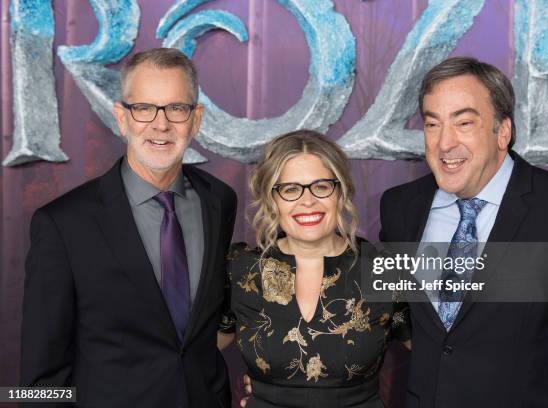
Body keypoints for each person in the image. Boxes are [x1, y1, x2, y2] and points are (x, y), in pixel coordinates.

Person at [379, 57, 548, 407]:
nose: (444, 143)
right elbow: (406, 320)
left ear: (503, 131)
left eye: (464, 123)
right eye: (432, 124)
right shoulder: (399, 209)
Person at [21, 48, 237, 407]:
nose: (161, 124)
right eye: (144, 108)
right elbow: (39, 379)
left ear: (196, 119)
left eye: (177, 108)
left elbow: (204, 326)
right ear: (122, 118)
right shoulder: (62, 225)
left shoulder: (219, 200)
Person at [218, 130, 410, 407]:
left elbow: (445, 351)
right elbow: (191, 354)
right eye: (291, 189)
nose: (307, 201)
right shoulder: (242, 269)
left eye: (321, 186)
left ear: (341, 191)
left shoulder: (382, 269)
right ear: (273, 200)